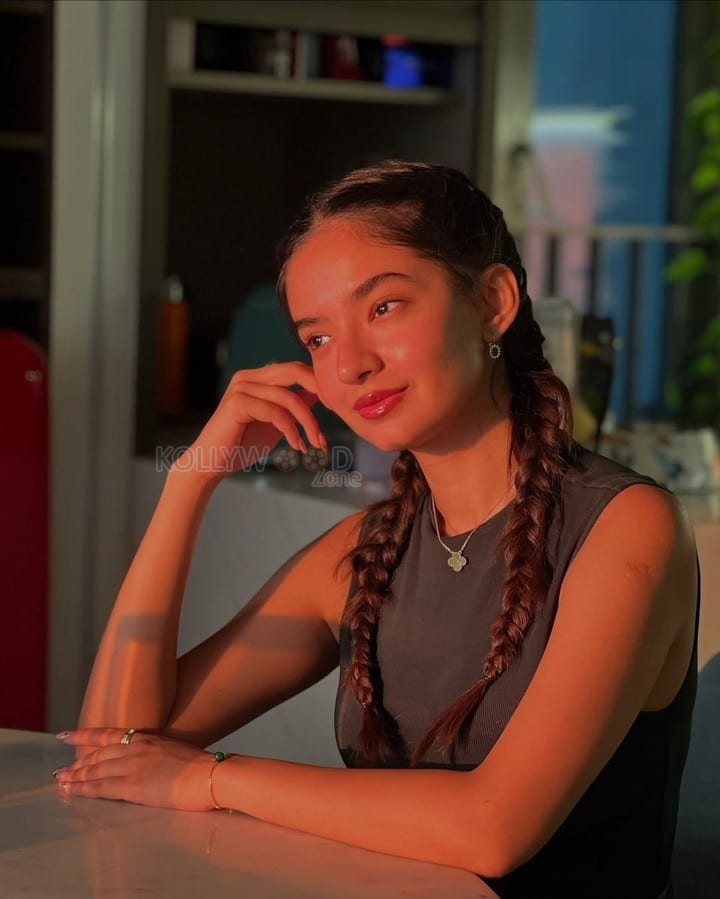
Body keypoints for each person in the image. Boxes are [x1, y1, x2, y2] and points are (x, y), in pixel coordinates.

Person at [54, 160, 699, 899]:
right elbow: (113, 746)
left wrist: (210, 779)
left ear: (493, 301)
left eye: (384, 307)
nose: (351, 364)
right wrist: (190, 481)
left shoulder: (627, 527)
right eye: (318, 339)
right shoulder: (367, 549)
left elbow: (493, 827)